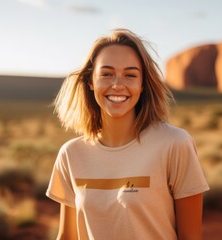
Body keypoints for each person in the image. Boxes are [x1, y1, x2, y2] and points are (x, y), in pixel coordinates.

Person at [46, 28, 209, 240]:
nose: (118, 85)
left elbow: (191, 237)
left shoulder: (175, 144)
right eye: (106, 74)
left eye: (130, 75)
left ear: (142, 85)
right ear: (91, 82)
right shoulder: (71, 154)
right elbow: (68, 236)